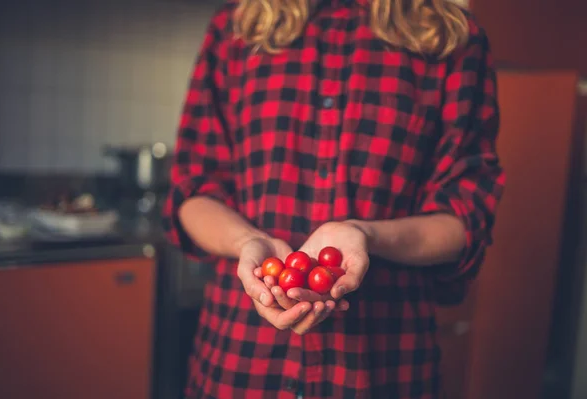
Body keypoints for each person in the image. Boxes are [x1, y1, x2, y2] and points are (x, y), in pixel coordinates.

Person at [163, 0, 505, 397]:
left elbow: (467, 216)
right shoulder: (236, 28)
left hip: (386, 366)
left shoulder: (450, 35)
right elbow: (193, 191)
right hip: (240, 360)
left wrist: (366, 234)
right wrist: (245, 242)